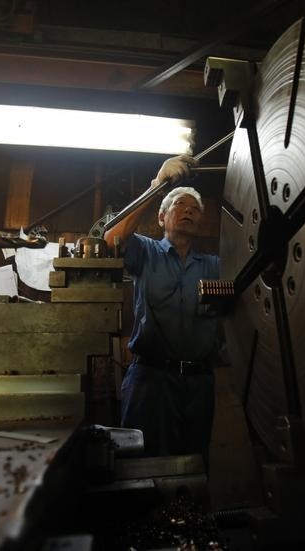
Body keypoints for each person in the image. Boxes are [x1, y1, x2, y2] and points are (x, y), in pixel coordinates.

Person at [104, 155, 220, 463]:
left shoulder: (214, 266)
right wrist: (158, 185)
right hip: (150, 379)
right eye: (180, 205)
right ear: (161, 217)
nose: (188, 212)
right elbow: (112, 236)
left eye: (194, 209)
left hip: (199, 384)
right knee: (143, 468)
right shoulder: (146, 251)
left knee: (193, 466)